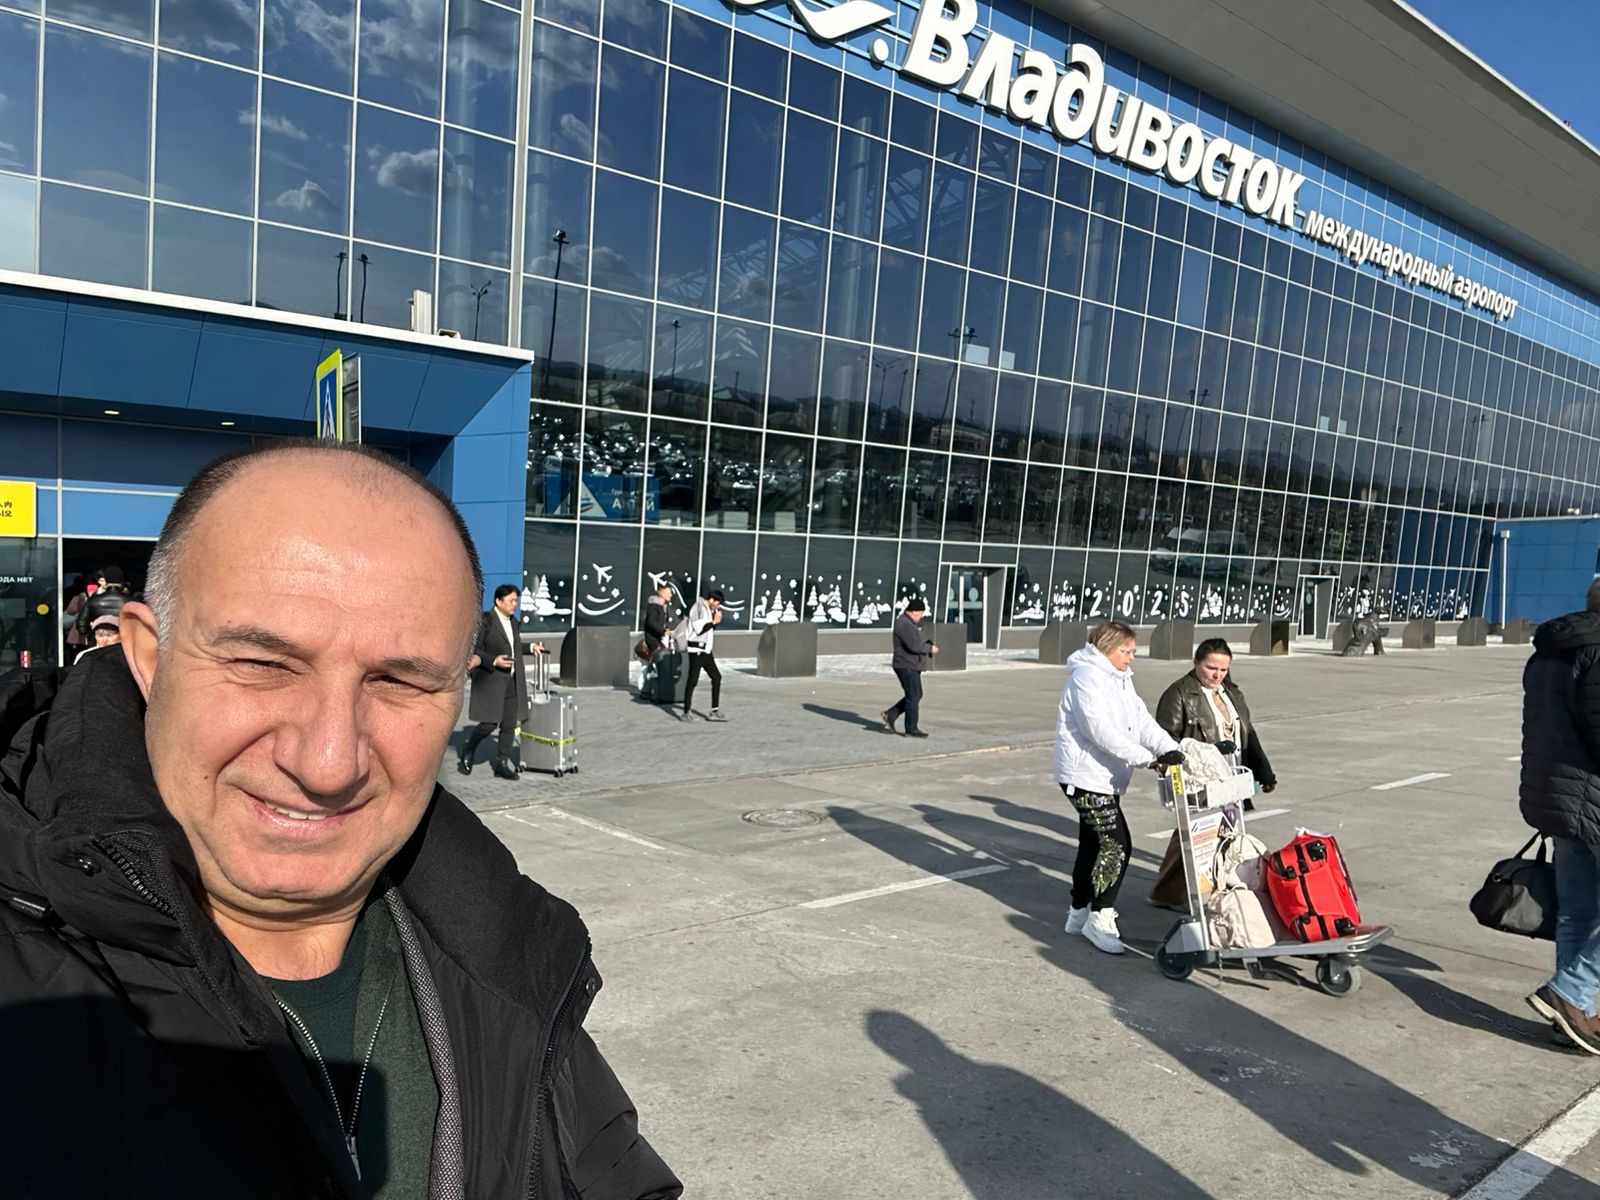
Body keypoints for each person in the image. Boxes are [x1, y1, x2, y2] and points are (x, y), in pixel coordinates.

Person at [0, 440, 681, 1197]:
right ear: (150, 659)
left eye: (399, 682)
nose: (328, 764)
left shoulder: (513, 958)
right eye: (263, 664)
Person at [1056, 621, 1183, 955]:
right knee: (1117, 845)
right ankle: (1100, 917)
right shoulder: (1086, 678)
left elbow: (1142, 722)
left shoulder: (1121, 678)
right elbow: (1099, 731)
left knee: (1092, 845)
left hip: (1105, 778)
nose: (1131, 657)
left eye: (1133, 651)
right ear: (1106, 648)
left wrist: (1172, 749)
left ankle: (1078, 912)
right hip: (1084, 778)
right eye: (1125, 651)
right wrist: (1147, 759)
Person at [1520, 580, 1600, 1055]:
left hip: (1556, 793)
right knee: (1581, 911)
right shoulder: (1597, 652)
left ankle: (1572, 1015)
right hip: (1592, 795)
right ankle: (1570, 992)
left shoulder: (1549, 651)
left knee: (1579, 911)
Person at [1147, 638, 1278, 909]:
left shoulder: (1231, 693)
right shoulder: (1179, 694)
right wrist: (1180, 764)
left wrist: (1264, 772)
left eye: (1223, 669)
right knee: (1196, 832)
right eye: (1211, 668)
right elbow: (1164, 738)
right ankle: (1167, 893)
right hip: (1198, 775)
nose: (1217, 675)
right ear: (1196, 663)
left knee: (1218, 831)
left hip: (1230, 774)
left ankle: (1197, 888)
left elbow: (1248, 733)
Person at [460, 584, 540, 780]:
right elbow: (474, 650)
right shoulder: (486, 621)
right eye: (511, 600)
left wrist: (531, 647)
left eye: (516, 601)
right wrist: (493, 660)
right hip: (491, 681)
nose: (515, 605)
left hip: (512, 681)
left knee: (509, 724)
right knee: (489, 724)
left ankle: (501, 764)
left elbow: (513, 646)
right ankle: (469, 749)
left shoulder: (513, 622)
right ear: (498, 601)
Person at [882, 596, 938, 738]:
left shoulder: (907, 623)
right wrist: (929, 648)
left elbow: (913, 643)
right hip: (906, 664)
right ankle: (911, 728)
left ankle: (891, 714)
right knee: (913, 695)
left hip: (910, 664)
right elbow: (913, 645)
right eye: (920, 614)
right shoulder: (904, 623)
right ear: (914, 611)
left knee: (916, 694)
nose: (921, 617)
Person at [680, 589, 726, 722]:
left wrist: (715, 622)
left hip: (706, 650)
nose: (717, 606)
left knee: (716, 677)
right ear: (711, 599)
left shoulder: (708, 610)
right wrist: (714, 622)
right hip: (696, 650)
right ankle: (686, 712)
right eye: (717, 603)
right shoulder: (698, 608)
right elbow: (699, 629)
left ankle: (714, 710)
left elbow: (708, 629)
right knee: (692, 680)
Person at [74, 565, 129, 645]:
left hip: (99, 645)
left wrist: (95, 634)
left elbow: (81, 626)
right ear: (122, 580)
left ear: (105, 580)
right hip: (124, 644)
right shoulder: (131, 601)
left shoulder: (93, 600)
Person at [638, 583, 673, 698]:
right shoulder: (654, 607)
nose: (671, 595)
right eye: (669, 592)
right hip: (652, 640)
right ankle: (646, 690)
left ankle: (650, 689)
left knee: (655, 664)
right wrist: (663, 631)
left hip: (658, 639)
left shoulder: (663, 607)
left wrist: (665, 631)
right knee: (654, 664)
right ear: (661, 593)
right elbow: (651, 623)